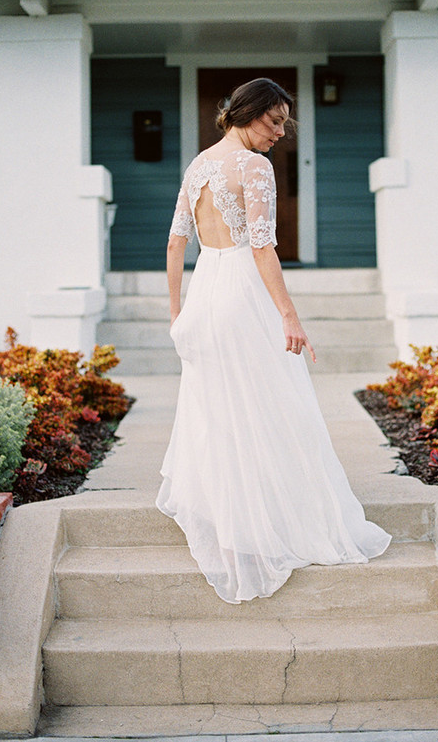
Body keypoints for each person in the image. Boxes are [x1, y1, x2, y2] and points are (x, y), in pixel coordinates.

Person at [156, 78, 391, 603]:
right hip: (243, 293)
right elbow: (262, 250)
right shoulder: (254, 168)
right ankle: (269, 520)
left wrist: (176, 312)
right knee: (272, 404)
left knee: (221, 407)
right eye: (275, 121)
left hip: (204, 293)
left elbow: (175, 242)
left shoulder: (198, 165)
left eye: (285, 123)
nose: (281, 133)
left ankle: (233, 518)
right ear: (247, 113)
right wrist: (290, 316)